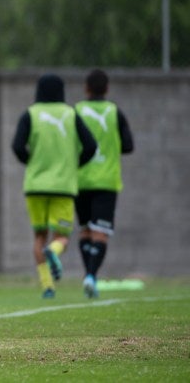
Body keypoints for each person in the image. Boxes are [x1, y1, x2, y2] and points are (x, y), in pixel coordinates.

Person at [11, 74, 97, 299]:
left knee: (39, 236)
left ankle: (47, 285)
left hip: (35, 186)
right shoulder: (70, 114)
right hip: (63, 187)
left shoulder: (30, 114)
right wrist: (73, 165)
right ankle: (55, 251)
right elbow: (90, 146)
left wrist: (31, 162)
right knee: (62, 237)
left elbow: (17, 146)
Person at [74, 69, 135, 298]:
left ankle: (88, 275)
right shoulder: (114, 112)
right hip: (106, 180)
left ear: (86, 88)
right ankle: (91, 276)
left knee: (85, 231)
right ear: (107, 89)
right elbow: (128, 146)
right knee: (101, 232)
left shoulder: (77, 110)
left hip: (80, 180)